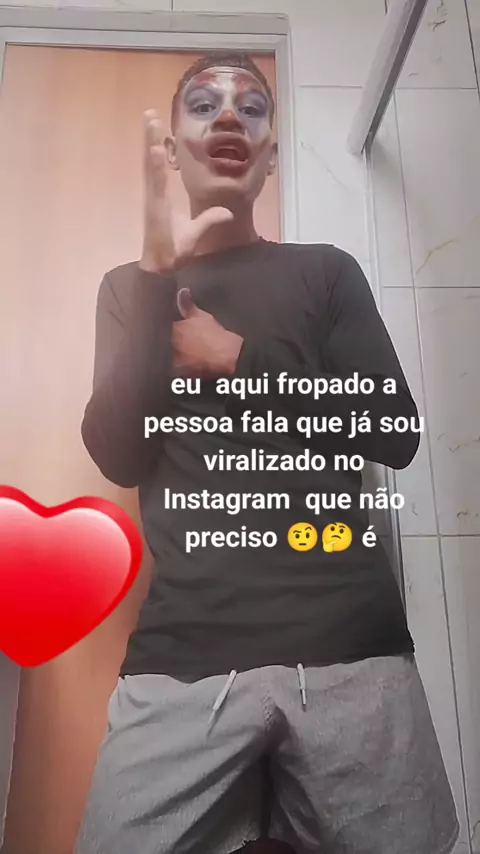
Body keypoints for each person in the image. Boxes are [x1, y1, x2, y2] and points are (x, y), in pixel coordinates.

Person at [77, 51, 459, 854]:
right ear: (173, 147)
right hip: (184, 653)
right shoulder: (127, 288)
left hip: (349, 648)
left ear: (271, 154)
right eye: (204, 104)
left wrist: (238, 359)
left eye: (251, 107)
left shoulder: (324, 273)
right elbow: (118, 453)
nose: (228, 115)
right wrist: (154, 277)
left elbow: (393, 429)